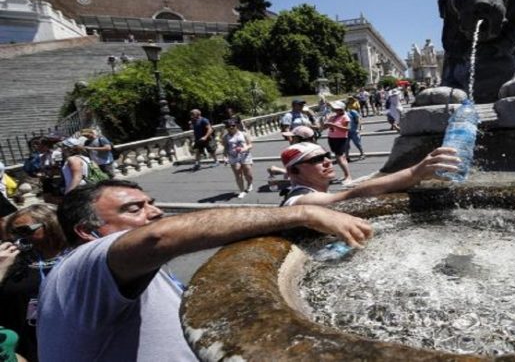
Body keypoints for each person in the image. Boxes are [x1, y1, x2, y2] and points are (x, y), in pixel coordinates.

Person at [36, 180, 372, 360]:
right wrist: (302, 215)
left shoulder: (131, 273)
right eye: (134, 209)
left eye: (152, 203)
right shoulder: (80, 267)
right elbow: (159, 237)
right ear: (87, 231)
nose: (155, 212)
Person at [279, 142, 458, 206]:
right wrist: (414, 172)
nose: (327, 161)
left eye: (326, 156)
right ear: (294, 171)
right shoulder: (298, 200)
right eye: (316, 160)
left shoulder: (312, 193)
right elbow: (349, 196)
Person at [1, 204, 69, 362]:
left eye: (25, 230)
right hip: (24, 344)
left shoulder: (77, 254)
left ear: (52, 225)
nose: (19, 237)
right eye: (14, 232)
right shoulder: (10, 260)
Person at [221, 119, 254, 199]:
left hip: (245, 155)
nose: (231, 127)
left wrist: (245, 148)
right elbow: (225, 148)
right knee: (238, 174)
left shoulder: (244, 134)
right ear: (226, 128)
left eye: (233, 126)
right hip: (233, 157)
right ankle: (242, 191)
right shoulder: (225, 137)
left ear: (236, 126)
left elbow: (250, 145)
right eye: (229, 126)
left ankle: (249, 184)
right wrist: (225, 157)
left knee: (248, 174)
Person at [323, 101, 352, 185]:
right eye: (334, 109)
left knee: (340, 158)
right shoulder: (333, 116)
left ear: (341, 109)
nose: (335, 110)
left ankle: (348, 176)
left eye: (337, 109)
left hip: (341, 138)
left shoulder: (345, 117)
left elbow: (347, 129)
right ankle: (346, 175)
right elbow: (325, 127)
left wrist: (333, 125)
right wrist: (325, 123)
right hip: (332, 138)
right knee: (340, 158)